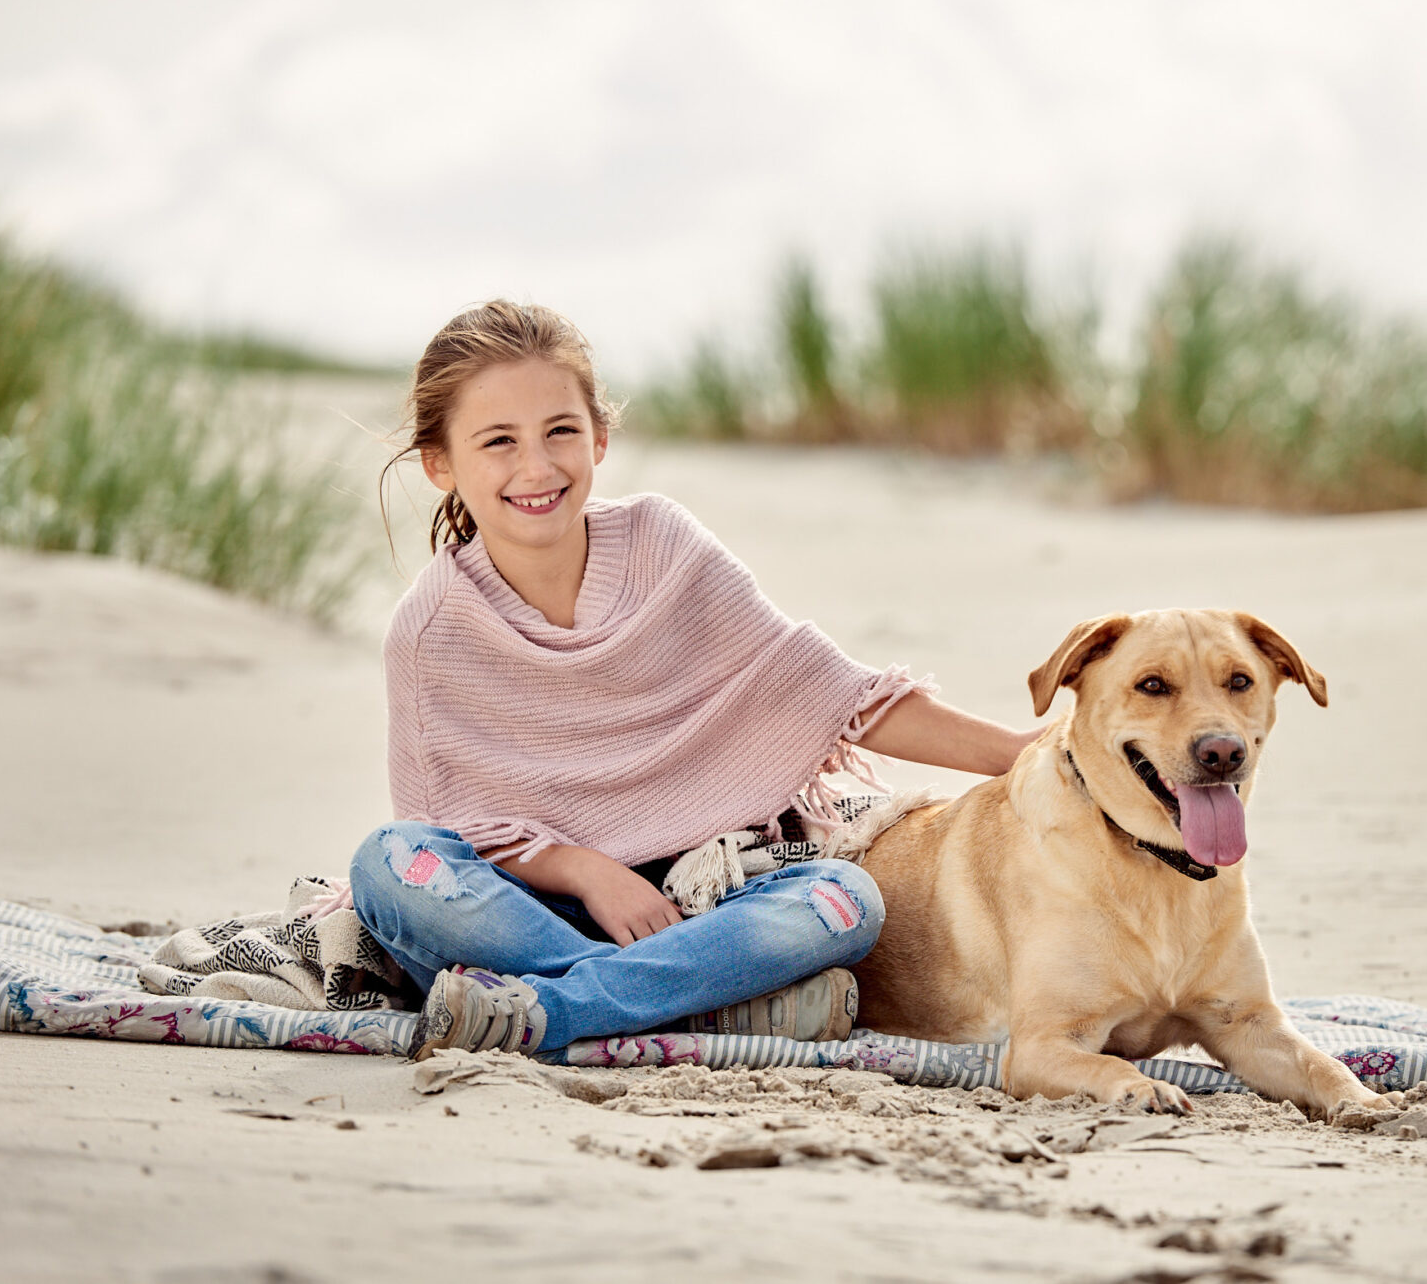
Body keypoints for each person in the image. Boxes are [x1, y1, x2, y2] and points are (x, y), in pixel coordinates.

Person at [337, 300, 1033, 1062]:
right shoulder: (430, 629)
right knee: (388, 864)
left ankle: (561, 1007)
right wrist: (588, 872)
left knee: (842, 903)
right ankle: (688, 1005)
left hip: (698, 904)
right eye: (498, 442)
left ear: (599, 437)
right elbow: (455, 828)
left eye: (560, 431)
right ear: (441, 464)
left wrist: (1020, 753)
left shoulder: (661, 544)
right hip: (525, 909)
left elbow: (824, 694)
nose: (536, 467)